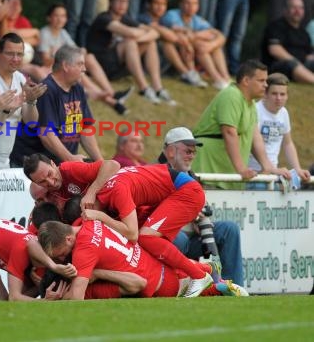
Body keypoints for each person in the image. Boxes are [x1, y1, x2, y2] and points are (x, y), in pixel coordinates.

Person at [78, 163, 213, 297]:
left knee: (146, 238)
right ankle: (207, 269)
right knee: (147, 244)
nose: (91, 220)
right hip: (174, 192)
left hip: (186, 191)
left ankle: (199, 276)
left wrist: (101, 216)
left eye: (88, 213)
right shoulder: (108, 189)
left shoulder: (117, 191)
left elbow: (132, 234)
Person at [160, 126, 244, 286]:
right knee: (179, 238)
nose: (191, 156)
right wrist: (188, 214)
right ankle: (174, 287)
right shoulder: (157, 174)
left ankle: (234, 288)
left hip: (193, 238)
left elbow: (203, 210)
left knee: (229, 229)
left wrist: (201, 218)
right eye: (187, 151)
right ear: (170, 151)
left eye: (193, 152)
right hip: (170, 239)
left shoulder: (191, 176)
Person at [191, 59, 291, 189]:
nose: (266, 85)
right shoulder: (232, 95)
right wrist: (241, 168)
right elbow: (229, 132)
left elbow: (256, 139)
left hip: (227, 175)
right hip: (209, 171)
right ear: (246, 81)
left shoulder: (250, 104)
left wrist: (268, 167)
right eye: (261, 81)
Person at [10, 45, 103, 166]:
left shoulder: (78, 88)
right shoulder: (46, 90)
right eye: (80, 64)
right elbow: (46, 134)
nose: (84, 69)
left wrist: (101, 162)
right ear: (65, 66)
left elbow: (85, 128)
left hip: (61, 164)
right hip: (33, 168)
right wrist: (69, 158)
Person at [38, 3, 133, 114]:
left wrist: (81, 51)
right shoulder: (44, 33)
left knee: (89, 57)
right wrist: (63, 56)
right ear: (49, 18)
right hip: (52, 68)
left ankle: (111, 93)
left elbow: (75, 49)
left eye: (63, 16)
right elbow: (45, 60)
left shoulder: (63, 32)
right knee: (77, 69)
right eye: (56, 16)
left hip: (66, 65)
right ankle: (110, 99)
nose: (60, 19)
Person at [86, 0, 175, 105]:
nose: (122, 5)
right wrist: (137, 36)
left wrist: (139, 38)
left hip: (119, 65)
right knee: (130, 41)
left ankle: (158, 88)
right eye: (119, 1)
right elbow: (131, 33)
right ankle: (144, 88)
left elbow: (155, 33)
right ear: (110, 2)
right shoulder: (104, 18)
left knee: (150, 43)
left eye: (125, 1)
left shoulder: (125, 18)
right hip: (101, 66)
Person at [0, 33, 47, 169]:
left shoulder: (20, 78)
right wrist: (10, 107)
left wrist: (31, 101)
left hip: (5, 160)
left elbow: (31, 122)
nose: (15, 59)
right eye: (10, 54)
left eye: (19, 54)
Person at [160, 0, 231, 90]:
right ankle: (216, 78)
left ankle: (225, 77)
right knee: (197, 43)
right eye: (187, 3)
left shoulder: (197, 19)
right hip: (174, 48)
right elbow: (179, 33)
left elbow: (219, 35)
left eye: (194, 3)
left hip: (192, 50)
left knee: (214, 46)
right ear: (180, 4)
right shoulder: (172, 14)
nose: (191, 7)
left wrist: (211, 44)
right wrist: (198, 36)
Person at [248, 73, 311, 183]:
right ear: (265, 94)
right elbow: (252, 144)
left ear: (287, 96)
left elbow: (287, 143)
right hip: (255, 173)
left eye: (282, 94)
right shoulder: (255, 110)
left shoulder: (283, 113)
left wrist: (297, 168)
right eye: (274, 94)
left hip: (274, 173)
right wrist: (272, 169)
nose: (278, 98)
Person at [139, 0, 207, 87]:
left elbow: (177, 32)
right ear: (148, 5)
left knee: (181, 38)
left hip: (162, 60)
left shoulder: (164, 19)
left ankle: (191, 72)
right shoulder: (144, 18)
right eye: (156, 4)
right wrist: (186, 44)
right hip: (146, 60)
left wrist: (186, 41)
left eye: (163, 4)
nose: (160, 7)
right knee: (167, 43)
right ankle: (185, 73)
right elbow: (171, 36)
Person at [261, 0, 314, 84]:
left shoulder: (304, 33)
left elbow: (308, 56)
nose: (297, 11)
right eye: (294, 7)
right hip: (278, 67)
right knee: (291, 63)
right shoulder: (276, 26)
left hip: (301, 66)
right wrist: (296, 61)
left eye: (301, 8)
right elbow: (275, 50)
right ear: (285, 10)